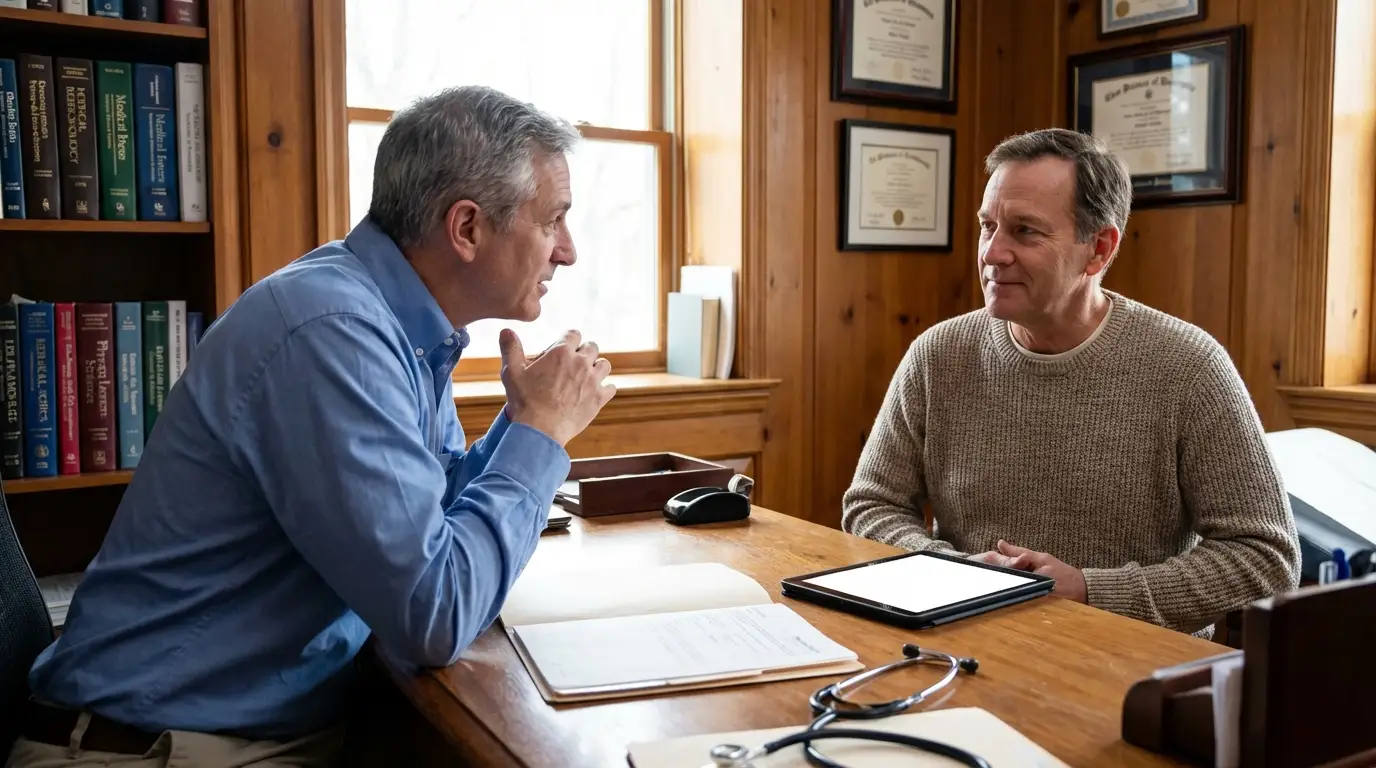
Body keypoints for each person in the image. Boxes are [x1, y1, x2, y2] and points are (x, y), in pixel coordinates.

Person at [7, 85, 614, 767]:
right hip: (152, 753)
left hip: (236, 738)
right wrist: (539, 432)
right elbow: (434, 614)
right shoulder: (335, 334)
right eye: (553, 220)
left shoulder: (398, 325)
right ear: (466, 228)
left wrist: (519, 424)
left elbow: (431, 521)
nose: (567, 250)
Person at [841, 128, 1300, 639]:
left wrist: (1088, 590)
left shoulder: (1189, 368)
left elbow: (1267, 560)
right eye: (987, 226)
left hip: (1128, 668)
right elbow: (872, 505)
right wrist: (954, 573)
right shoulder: (938, 354)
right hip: (964, 643)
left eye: (1025, 231)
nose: (992, 253)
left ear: (1099, 250)